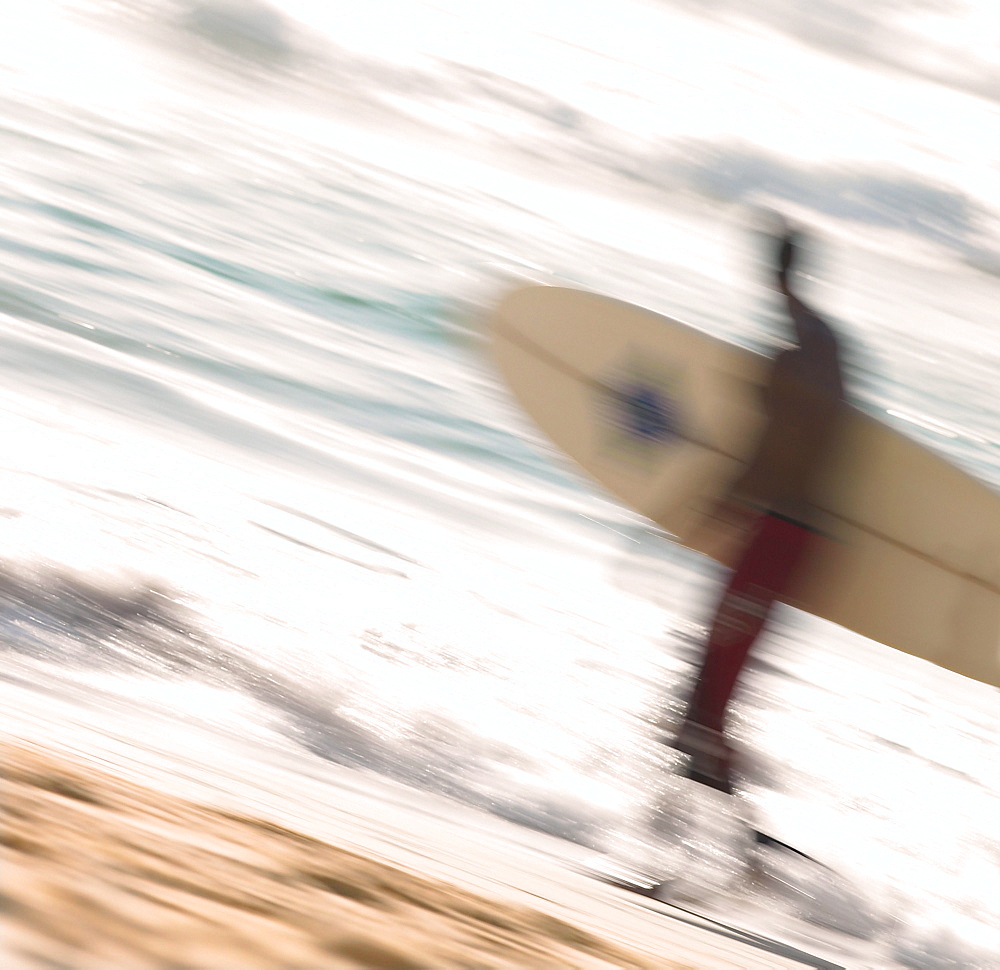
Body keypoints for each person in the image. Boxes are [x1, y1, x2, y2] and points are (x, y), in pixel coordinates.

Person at [671, 223, 845, 794]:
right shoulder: (834, 348)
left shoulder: (786, 364)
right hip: (804, 539)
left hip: (772, 535)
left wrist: (707, 513)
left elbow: (764, 462)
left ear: (767, 272)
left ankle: (717, 855)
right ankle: (704, 847)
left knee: (706, 698)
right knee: (714, 688)